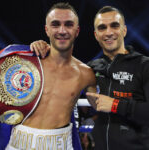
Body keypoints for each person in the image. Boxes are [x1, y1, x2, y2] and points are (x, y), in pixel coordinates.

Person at [32, 5, 149, 150]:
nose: (108, 32)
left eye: (114, 26)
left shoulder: (144, 65)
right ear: (96, 34)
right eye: (102, 28)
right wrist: (43, 48)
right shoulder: (90, 69)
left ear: (124, 30)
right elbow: (61, 67)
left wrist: (115, 105)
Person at [4, 2, 96, 150]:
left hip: (60, 144)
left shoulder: (86, 73)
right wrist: (28, 49)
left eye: (68, 24)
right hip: (19, 142)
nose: (62, 30)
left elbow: (100, 105)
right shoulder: (28, 61)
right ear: (46, 30)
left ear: (77, 30)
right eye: (55, 24)